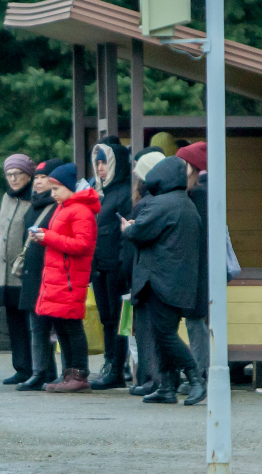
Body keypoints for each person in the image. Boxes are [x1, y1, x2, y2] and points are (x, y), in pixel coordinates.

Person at [121, 157, 205, 405]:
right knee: (162, 333)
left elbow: (139, 233)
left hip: (159, 280)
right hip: (178, 280)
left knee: (164, 334)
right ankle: (166, 387)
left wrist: (128, 228)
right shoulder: (185, 203)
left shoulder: (162, 204)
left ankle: (196, 379)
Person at [29, 162, 100, 392]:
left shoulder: (80, 210)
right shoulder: (65, 207)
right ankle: (69, 374)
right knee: (61, 325)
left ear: (69, 187)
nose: (52, 194)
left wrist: (47, 236)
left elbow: (81, 245)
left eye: (56, 189)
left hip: (69, 279)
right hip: (59, 277)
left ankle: (78, 375)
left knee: (71, 326)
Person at [16, 159, 64, 390]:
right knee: (36, 325)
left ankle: (65, 371)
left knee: (60, 326)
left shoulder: (59, 206)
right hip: (32, 272)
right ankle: (40, 371)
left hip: (52, 272)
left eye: (43, 177)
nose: (38, 181)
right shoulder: (32, 205)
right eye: (36, 177)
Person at [0, 153, 37, 385]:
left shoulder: (35, 198)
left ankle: (36, 368)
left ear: (29, 175)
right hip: (6, 271)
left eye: (18, 174)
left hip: (25, 271)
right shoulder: (7, 198)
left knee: (30, 321)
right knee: (13, 321)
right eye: (9, 175)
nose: (13, 179)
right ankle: (21, 368)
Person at [89, 141, 133, 389]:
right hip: (99, 267)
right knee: (106, 319)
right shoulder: (98, 191)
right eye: (97, 163)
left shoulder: (124, 192)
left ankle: (117, 367)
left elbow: (126, 233)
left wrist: (122, 266)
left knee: (117, 320)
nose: (100, 167)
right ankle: (109, 363)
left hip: (116, 267)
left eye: (105, 162)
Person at [124, 149, 166, 391]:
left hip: (145, 276)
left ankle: (151, 379)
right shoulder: (170, 201)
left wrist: (128, 230)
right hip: (161, 276)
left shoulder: (145, 205)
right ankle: (159, 379)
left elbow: (137, 242)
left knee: (146, 331)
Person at [173, 141, 212, 392]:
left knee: (195, 322)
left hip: (198, 267)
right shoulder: (192, 194)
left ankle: (199, 373)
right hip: (192, 266)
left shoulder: (199, 195)